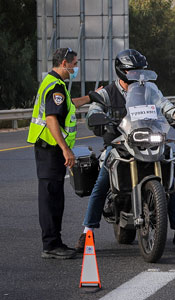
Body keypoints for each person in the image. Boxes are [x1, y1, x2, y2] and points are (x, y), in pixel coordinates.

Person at [75, 49, 175, 253]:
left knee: (170, 180)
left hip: (148, 139)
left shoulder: (149, 89)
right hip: (119, 143)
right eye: (133, 71)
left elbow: (164, 105)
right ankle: (88, 231)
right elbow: (95, 109)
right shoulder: (108, 92)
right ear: (122, 71)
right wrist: (97, 118)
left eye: (140, 70)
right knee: (101, 183)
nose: (137, 75)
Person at [27, 47, 94, 259]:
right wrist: (66, 149)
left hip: (49, 149)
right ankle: (51, 245)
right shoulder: (55, 86)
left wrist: (91, 97)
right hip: (50, 149)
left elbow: (69, 106)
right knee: (50, 199)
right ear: (64, 63)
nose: (76, 68)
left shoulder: (55, 83)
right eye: (74, 64)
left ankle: (55, 242)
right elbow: (51, 119)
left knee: (55, 197)